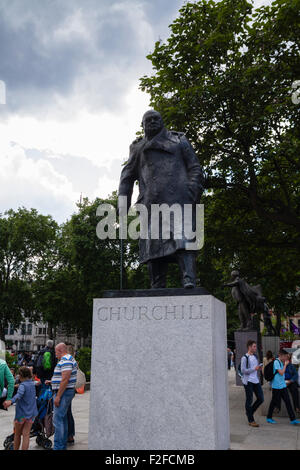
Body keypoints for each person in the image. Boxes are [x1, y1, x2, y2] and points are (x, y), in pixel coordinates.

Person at [118, 109, 205, 289]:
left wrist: (192, 191)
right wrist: (122, 205)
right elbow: (127, 177)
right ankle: (157, 284)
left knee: (183, 239)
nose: (152, 122)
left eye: (156, 119)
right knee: (153, 245)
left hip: (180, 199)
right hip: (151, 203)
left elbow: (195, 167)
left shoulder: (179, 140)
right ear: (142, 125)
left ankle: (189, 278)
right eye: (148, 120)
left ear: (162, 121)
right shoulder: (138, 147)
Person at [47, 343, 77, 451]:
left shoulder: (66, 360)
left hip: (63, 393)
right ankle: (61, 445)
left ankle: (59, 447)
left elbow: (65, 379)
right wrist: (52, 381)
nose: (55, 355)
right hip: (65, 391)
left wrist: (58, 396)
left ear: (60, 350)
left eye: (56, 352)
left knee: (57, 419)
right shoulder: (67, 360)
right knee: (62, 419)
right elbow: (63, 377)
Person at [4, 366, 38, 450]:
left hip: (21, 414)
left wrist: (10, 401)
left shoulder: (23, 385)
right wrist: (17, 386)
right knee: (26, 435)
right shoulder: (32, 383)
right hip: (32, 414)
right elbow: (28, 385)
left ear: (21, 376)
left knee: (17, 434)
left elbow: (19, 395)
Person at [266, 349, 300, 425]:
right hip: (276, 387)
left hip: (282, 386)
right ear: (280, 355)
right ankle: (269, 417)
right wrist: (285, 365)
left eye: (286, 356)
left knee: (288, 402)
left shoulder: (282, 362)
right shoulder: (276, 362)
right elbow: (281, 373)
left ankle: (293, 419)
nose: (286, 358)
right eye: (285, 356)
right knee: (273, 402)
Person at [241, 340, 264, 427]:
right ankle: (251, 420)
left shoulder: (255, 356)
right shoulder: (245, 358)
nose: (255, 348)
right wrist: (254, 369)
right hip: (248, 381)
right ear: (249, 347)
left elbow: (256, 368)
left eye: (255, 346)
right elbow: (243, 370)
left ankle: (249, 412)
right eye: (254, 346)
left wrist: (259, 368)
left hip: (256, 380)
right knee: (249, 400)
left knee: (261, 398)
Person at [65, 343, 76, 445]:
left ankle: (69, 435)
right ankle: (70, 434)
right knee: (68, 412)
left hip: (67, 389)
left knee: (67, 413)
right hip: (71, 389)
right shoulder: (73, 360)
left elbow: (65, 377)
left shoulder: (68, 361)